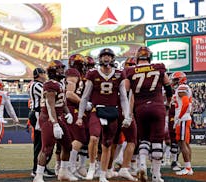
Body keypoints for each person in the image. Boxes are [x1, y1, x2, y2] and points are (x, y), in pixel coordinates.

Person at [76, 48, 132, 182]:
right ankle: (91, 166)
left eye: (108, 55)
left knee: (107, 144)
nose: (106, 58)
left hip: (112, 111)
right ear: (100, 58)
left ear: (113, 58)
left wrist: (127, 115)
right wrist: (79, 116)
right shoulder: (92, 73)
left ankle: (102, 173)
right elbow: (85, 97)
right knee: (94, 138)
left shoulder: (119, 74)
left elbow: (124, 97)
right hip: (97, 110)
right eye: (104, 55)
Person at [126, 46, 173, 182]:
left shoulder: (130, 71)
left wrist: (128, 112)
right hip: (157, 106)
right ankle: (156, 175)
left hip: (140, 109)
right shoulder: (159, 68)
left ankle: (141, 165)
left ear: (137, 58)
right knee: (157, 141)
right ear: (149, 57)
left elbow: (125, 92)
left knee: (144, 139)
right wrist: (168, 104)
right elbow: (169, 89)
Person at [33, 60, 77, 182]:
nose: (63, 70)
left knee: (68, 146)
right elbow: (50, 105)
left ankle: (63, 173)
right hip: (48, 118)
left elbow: (62, 102)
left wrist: (68, 113)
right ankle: (38, 175)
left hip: (58, 117)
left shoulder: (60, 83)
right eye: (60, 68)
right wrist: (55, 124)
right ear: (53, 71)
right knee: (47, 148)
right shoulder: (50, 84)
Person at [66, 54, 90, 178]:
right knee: (80, 138)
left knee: (84, 137)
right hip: (72, 108)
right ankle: (70, 167)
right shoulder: (73, 73)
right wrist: (83, 103)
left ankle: (77, 167)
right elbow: (69, 93)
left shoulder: (80, 75)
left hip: (77, 109)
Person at [28, 68, 55, 177]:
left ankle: (41, 167)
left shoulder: (35, 84)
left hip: (39, 113)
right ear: (39, 74)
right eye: (44, 73)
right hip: (37, 113)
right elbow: (46, 94)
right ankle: (36, 169)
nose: (46, 75)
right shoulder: (36, 85)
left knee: (43, 142)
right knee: (40, 143)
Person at [171, 71, 194, 176]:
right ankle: (188, 167)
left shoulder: (182, 88)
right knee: (185, 143)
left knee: (182, 143)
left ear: (181, 79)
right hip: (185, 118)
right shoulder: (184, 88)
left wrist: (179, 117)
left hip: (183, 119)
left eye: (176, 79)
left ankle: (187, 167)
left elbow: (185, 104)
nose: (174, 82)